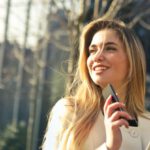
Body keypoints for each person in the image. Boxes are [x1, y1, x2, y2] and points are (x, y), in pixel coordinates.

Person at [42, 18, 150, 150]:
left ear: (133, 61)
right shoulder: (70, 111)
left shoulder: (147, 123)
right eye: (92, 50)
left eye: (110, 49)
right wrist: (109, 146)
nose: (97, 57)